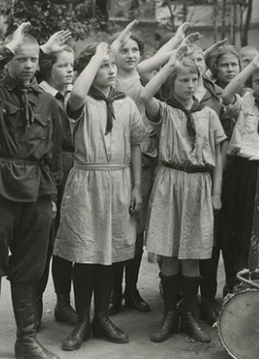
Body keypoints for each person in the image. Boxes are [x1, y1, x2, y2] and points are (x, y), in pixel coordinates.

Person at [0, 22, 62, 359]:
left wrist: (50, 199)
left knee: (30, 268)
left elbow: (54, 153)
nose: (29, 66)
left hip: (37, 192)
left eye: (34, 60)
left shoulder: (47, 103)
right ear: (8, 60)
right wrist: (9, 45)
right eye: (21, 59)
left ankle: (26, 341)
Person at [53, 43, 147, 351]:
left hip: (119, 182)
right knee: (86, 251)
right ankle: (82, 319)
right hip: (88, 182)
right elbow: (78, 94)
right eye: (103, 65)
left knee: (109, 255)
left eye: (111, 65)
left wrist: (135, 187)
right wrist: (95, 57)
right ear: (89, 70)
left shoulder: (126, 104)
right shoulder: (79, 101)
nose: (110, 69)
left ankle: (103, 316)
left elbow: (136, 144)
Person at [141, 52, 226, 343]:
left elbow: (219, 154)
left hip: (199, 184)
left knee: (193, 254)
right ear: (172, 82)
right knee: (169, 253)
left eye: (194, 79)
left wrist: (216, 191)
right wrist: (169, 67)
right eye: (183, 80)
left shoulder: (209, 114)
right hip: (170, 182)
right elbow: (144, 93)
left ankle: (189, 314)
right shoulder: (164, 111)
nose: (190, 85)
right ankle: (169, 314)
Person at [108, 20, 154, 314]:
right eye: (124, 50)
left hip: (144, 158)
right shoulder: (110, 80)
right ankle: (113, 292)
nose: (129, 54)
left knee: (136, 226)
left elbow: (164, 62)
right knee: (117, 226)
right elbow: (110, 52)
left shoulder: (144, 79)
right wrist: (119, 37)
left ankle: (132, 288)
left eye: (135, 49)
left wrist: (177, 39)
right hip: (114, 159)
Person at [218, 47, 259, 291]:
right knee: (238, 232)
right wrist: (252, 65)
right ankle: (235, 284)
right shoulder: (243, 102)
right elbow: (227, 94)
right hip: (243, 170)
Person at [34, 30, 78, 330]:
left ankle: (64, 303)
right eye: (63, 65)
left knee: (66, 242)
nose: (70, 70)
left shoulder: (76, 96)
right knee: (40, 243)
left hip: (73, 176)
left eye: (72, 65)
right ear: (46, 67)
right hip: (45, 176)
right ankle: (33, 308)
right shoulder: (35, 94)